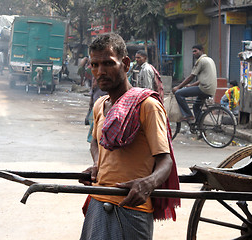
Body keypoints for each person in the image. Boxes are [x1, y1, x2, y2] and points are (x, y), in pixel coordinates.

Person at [79, 33, 180, 240]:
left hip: (131, 207)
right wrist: (97, 165)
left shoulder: (147, 106)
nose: (100, 71)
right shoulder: (100, 105)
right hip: (97, 202)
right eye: (94, 65)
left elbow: (165, 160)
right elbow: (95, 144)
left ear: (125, 63)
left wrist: (148, 183)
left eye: (108, 63)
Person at [172, 45, 217, 122]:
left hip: (204, 88)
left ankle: (188, 115)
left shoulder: (201, 61)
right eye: (193, 51)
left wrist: (178, 87)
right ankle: (200, 126)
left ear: (202, 50)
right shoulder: (209, 60)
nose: (193, 53)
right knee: (196, 106)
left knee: (179, 93)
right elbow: (201, 79)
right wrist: (191, 85)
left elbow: (191, 76)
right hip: (211, 89)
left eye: (195, 51)